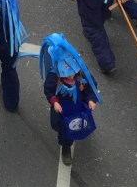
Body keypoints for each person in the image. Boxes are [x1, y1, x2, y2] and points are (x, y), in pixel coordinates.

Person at [40, 34, 100, 166]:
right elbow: (49, 91)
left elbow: (91, 87)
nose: (72, 76)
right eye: (67, 74)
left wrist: (91, 99)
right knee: (65, 131)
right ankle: (66, 147)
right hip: (63, 111)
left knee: (80, 123)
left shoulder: (81, 74)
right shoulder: (54, 76)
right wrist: (54, 101)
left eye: (73, 71)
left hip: (78, 107)